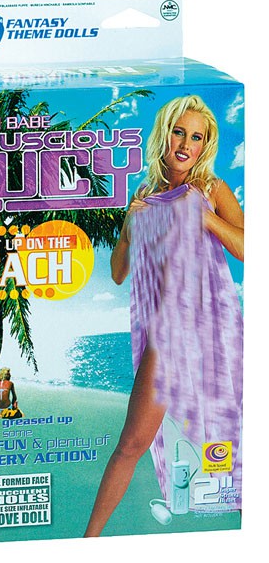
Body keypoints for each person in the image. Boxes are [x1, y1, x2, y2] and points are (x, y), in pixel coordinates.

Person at [84, 95, 244, 537]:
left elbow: (249, 248)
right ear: (164, 134)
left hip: (214, 331)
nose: (186, 144)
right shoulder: (144, 196)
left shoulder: (211, 189)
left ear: (205, 145)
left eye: (197, 137)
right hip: (168, 333)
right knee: (132, 443)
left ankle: (248, 534)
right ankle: (88, 541)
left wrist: (206, 218)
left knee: (232, 439)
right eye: (179, 132)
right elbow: (119, 273)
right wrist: (127, 230)